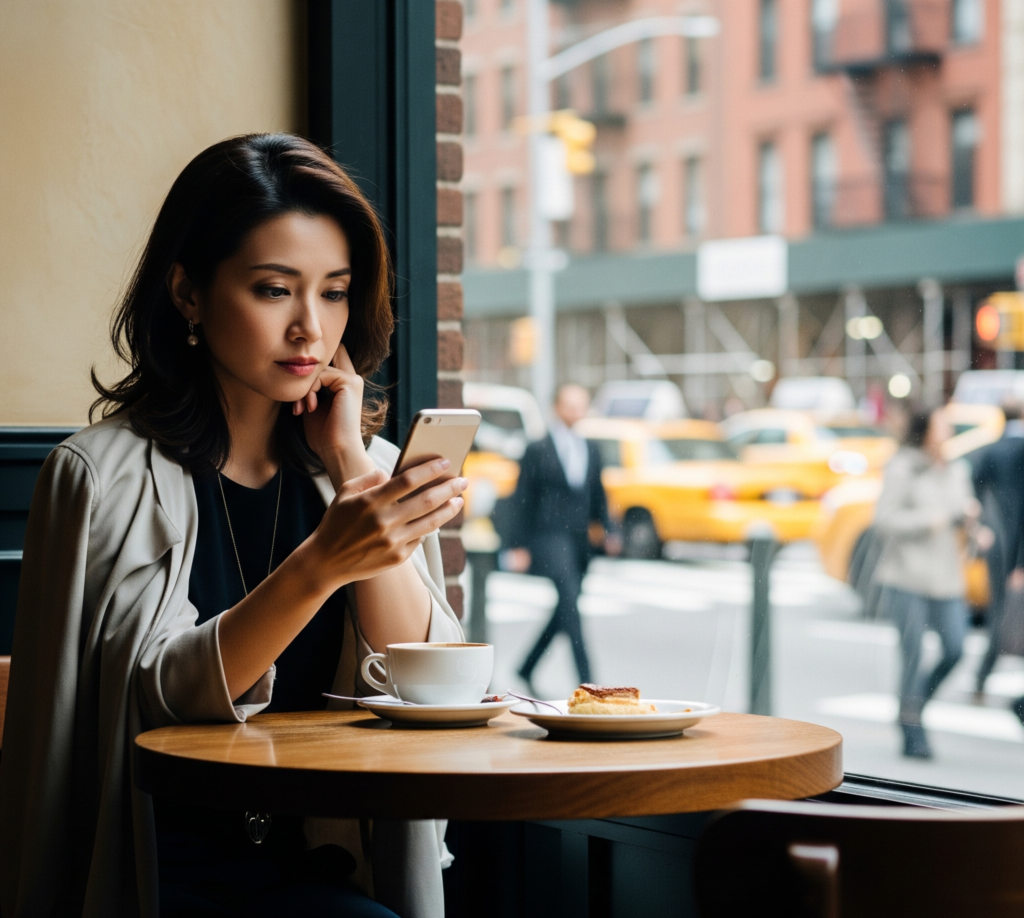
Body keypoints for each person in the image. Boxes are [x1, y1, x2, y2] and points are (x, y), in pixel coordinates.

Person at [0, 134, 467, 918]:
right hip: (157, 873)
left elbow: (428, 680)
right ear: (187, 294)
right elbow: (160, 694)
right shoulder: (102, 475)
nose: (310, 331)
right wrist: (321, 564)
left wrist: (351, 462)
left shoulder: (364, 467)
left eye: (335, 292)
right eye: (274, 290)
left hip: (322, 868)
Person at [874, 407, 982, 759]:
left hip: (947, 578)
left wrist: (975, 526)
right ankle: (912, 727)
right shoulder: (903, 467)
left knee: (955, 649)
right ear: (926, 429)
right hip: (906, 576)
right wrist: (928, 520)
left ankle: (913, 704)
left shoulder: (955, 468)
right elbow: (884, 520)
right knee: (913, 653)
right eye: (941, 423)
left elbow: (960, 513)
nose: (948, 428)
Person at [505, 384, 617, 692]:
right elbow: (521, 499)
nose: (575, 412)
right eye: (570, 405)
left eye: (581, 405)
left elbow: (598, 494)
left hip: (581, 541)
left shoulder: (591, 448)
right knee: (570, 602)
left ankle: (527, 666)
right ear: (556, 407)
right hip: (548, 538)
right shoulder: (537, 448)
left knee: (566, 607)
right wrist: (516, 545)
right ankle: (589, 684)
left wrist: (609, 530)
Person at [971, 403, 1024, 696]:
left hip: (997, 543)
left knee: (999, 612)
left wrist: (983, 528)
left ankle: (982, 676)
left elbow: (974, 489)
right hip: (1016, 548)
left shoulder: (992, 450)